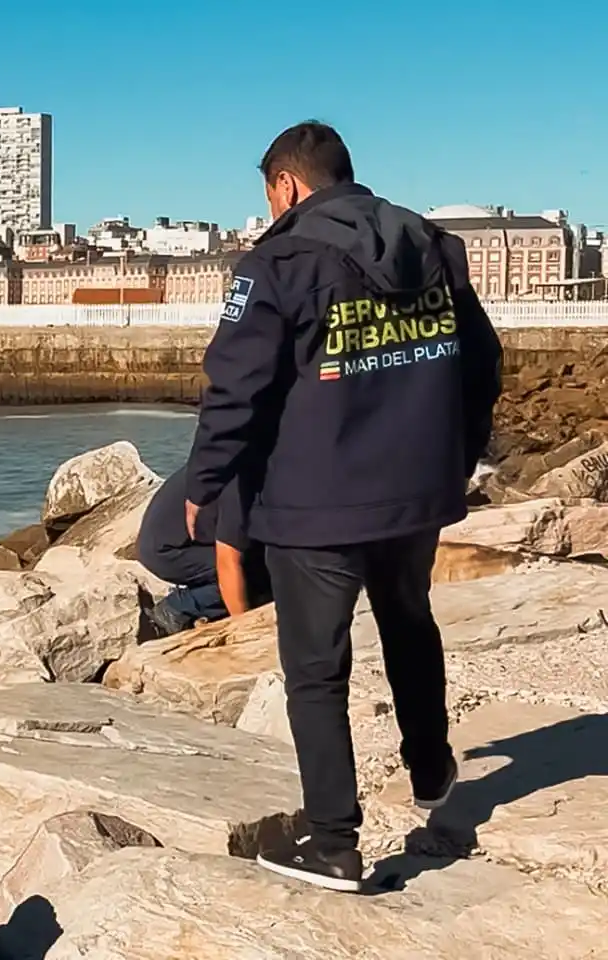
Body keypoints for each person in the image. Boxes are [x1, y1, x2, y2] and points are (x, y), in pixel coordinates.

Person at [182, 121, 502, 893]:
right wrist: (453, 462)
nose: (270, 211)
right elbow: (482, 363)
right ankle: (430, 767)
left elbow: (236, 389)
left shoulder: (279, 262)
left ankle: (332, 843)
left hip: (315, 503)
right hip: (414, 492)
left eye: (270, 196)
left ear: (286, 184)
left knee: (316, 671)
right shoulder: (430, 243)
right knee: (409, 620)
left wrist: (205, 482)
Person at [136, 468, 271, 634]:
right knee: (253, 575)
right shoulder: (243, 482)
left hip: (180, 537)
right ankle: (179, 607)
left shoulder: (239, 459)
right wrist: (246, 629)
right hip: (168, 550)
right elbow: (228, 563)